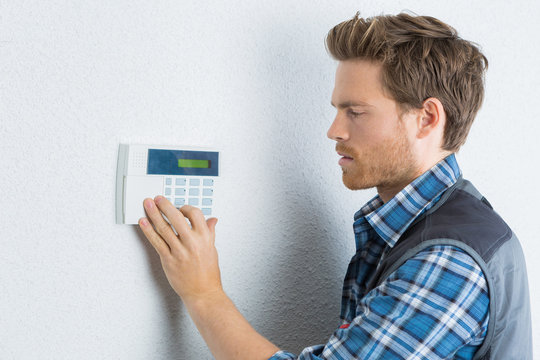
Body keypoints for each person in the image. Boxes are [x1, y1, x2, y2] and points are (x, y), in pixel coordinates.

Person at [138, 11, 532, 360]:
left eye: (355, 112)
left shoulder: (448, 259)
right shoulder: (437, 224)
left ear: (427, 118)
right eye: (337, 110)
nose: (334, 130)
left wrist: (203, 293)